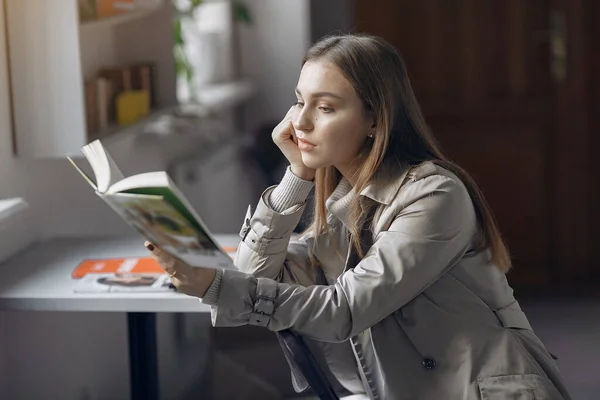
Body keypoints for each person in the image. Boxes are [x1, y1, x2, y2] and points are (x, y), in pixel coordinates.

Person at [145, 34, 571, 399]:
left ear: (373, 118)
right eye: (298, 102)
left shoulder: (434, 195)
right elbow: (255, 274)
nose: (301, 122)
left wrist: (213, 285)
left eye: (326, 108)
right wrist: (297, 176)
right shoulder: (338, 207)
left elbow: (345, 310)